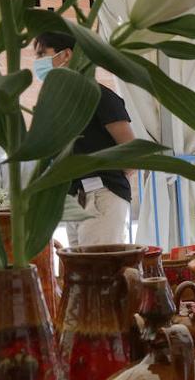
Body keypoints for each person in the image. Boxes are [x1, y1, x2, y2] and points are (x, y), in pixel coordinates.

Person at [34, 32, 136, 247]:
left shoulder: (99, 96)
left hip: (101, 196)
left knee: (98, 270)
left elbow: (131, 153)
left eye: (43, 54)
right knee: (82, 272)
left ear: (67, 55)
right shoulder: (57, 104)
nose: (38, 62)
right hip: (74, 198)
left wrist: (107, 184)